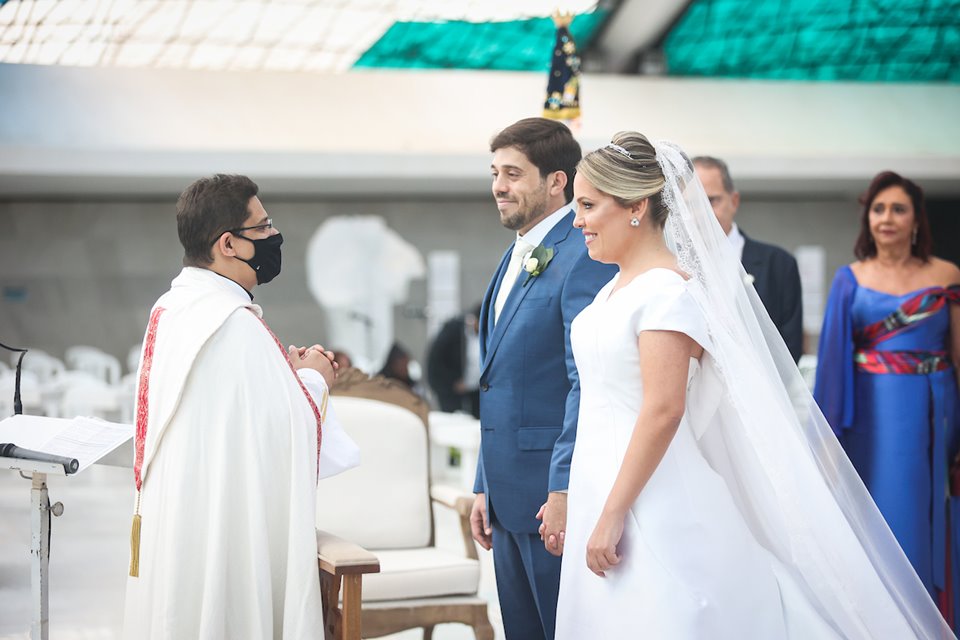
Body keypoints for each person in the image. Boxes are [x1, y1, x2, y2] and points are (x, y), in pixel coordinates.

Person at [553, 133, 953, 638]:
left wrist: (613, 513)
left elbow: (664, 410)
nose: (577, 220)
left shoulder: (664, 292)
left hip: (648, 494)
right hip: (601, 478)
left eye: (588, 205)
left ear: (636, 206)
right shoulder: (613, 288)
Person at [123, 174, 359, 639]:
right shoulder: (230, 325)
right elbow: (280, 436)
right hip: (226, 533)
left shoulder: (174, 309)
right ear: (228, 244)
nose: (274, 237)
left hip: (186, 519)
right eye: (264, 226)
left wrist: (282, 376)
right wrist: (314, 377)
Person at [469, 117, 616, 640]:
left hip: (551, 499)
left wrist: (562, 488)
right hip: (505, 497)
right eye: (494, 173)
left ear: (558, 181)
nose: (499, 187)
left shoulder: (585, 257)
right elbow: (498, 382)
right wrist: (483, 484)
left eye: (513, 173)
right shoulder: (514, 253)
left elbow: (586, 382)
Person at [815, 170, 960, 628]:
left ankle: (929, 621)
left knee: (924, 513)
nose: (887, 218)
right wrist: (826, 438)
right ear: (868, 219)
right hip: (868, 416)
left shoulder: (946, 275)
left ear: (916, 219)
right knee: (876, 514)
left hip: (933, 412)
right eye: (879, 209)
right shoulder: (849, 278)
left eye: (899, 209)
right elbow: (832, 362)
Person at [693, 156, 803, 361]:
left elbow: (789, 348)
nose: (701, 213)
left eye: (710, 201)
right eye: (691, 203)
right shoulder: (670, 265)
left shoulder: (779, 264)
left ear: (733, 201)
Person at [426, 304, 481, 417]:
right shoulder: (453, 331)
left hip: (476, 392)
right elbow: (436, 361)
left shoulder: (485, 335)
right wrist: (453, 382)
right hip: (452, 391)